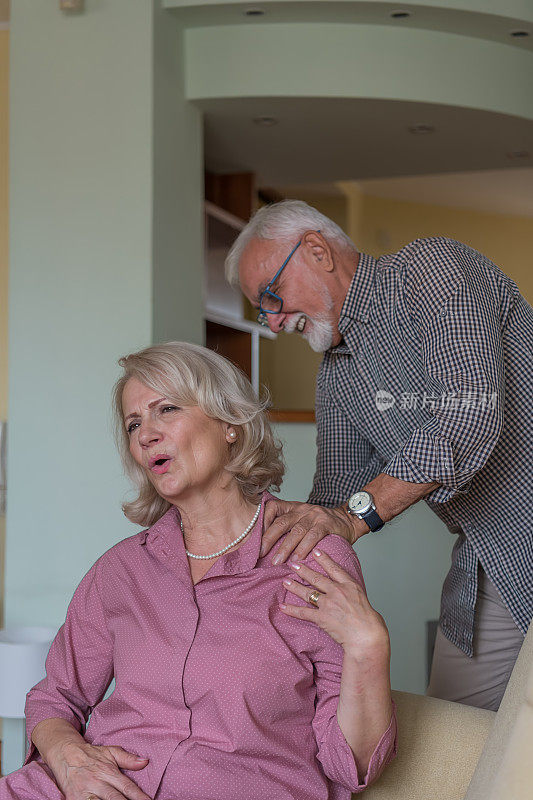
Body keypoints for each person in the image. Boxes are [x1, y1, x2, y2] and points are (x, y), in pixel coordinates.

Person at [1, 341, 397, 800]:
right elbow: (54, 697)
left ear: (229, 423)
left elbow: (351, 764)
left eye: (166, 409)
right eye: (134, 424)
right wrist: (70, 760)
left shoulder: (309, 555)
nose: (146, 434)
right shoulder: (121, 570)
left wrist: (369, 646)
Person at [226, 199, 533, 712]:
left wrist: (357, 515)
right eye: (263, 311)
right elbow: (331, 505)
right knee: (462, 744)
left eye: (272, 297)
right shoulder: (338, 373)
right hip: (490, 562)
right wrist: (246, 554)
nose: (274, 323)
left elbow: (467, 415)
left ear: (318, 250)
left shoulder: (430, 272)